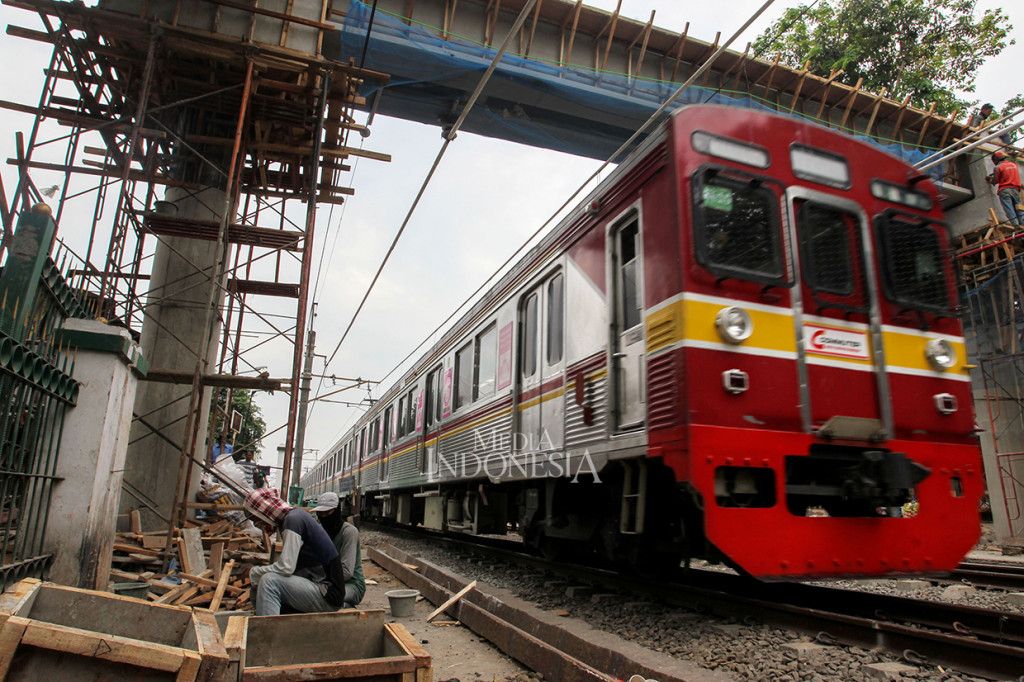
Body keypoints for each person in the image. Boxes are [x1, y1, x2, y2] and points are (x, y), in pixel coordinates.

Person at [242, 487, 347, 616]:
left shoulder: (293, 520)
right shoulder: (292, 518)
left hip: (327, 593)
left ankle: (267, 628)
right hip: (317, 588)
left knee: (269, 582)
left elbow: (286, 567)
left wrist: (253, 572)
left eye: (256, 520)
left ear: (263, 512)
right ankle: (260, 621)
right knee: (261, 581)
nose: (258, 525)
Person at [311, 492, 365, 608]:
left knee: (323, 599)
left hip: (351, 584)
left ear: (336, 511)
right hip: (327, 582)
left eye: (327, 513)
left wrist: (318, 577)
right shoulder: (320, 531)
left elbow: (347, 572)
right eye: (320, 514)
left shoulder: (349, 532)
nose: (324, 517)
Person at [987, 151, 1024, 227]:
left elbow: (995, 181)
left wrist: (990, 180)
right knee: (1019, 208)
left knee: (1009, 208)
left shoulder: (998, 167)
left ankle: (1015, 225)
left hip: (1005, 190)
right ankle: (1022, 224)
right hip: (1016, 190)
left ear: (996, 160)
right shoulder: (1013, 165)